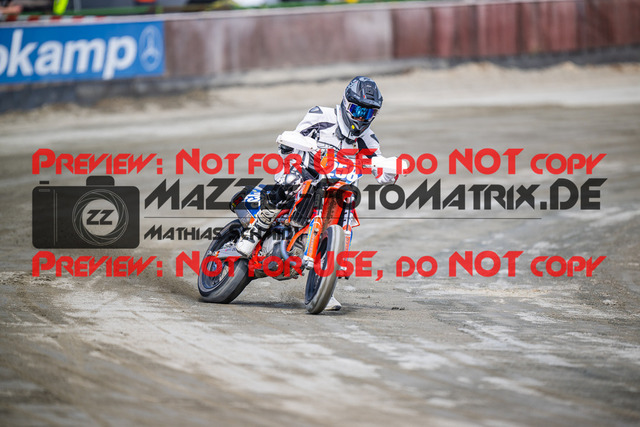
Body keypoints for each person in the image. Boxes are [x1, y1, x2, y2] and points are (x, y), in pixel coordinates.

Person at [236, 76, 397, 310]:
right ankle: (255, 231)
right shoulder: (321, 115)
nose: (362, 118)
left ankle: (325, 287)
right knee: (290, 181)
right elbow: (294, 136)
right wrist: (290, 144)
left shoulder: (368, 139)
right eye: (358, 110)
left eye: (369, 113)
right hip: (304, 173)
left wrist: (390, 172)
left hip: (338, 186)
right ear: (346, 103)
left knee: (344, 220)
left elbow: (380, 168)